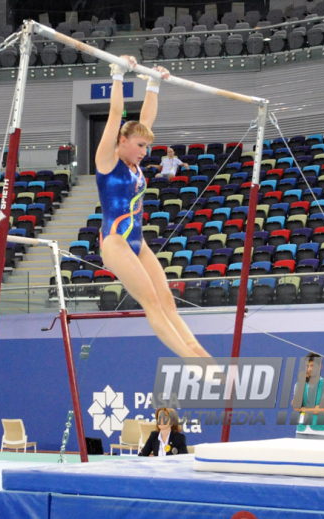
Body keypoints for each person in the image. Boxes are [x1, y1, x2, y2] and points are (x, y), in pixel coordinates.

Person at [95, 55, 210, 359]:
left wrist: (154, 84)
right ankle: (191, 362)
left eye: (147, 147)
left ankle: (198, 352)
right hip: (115, 241)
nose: (145, 153)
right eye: (140, 146)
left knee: (168, 302)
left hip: (137, 241)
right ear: (121, 140)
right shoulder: (107, 161)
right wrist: (118, 73)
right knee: (153, 304)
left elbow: (145, 120)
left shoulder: (134, 160)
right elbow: (115, 113)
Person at [293, 353, 324, 440]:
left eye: (312, 366)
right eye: (307, 366)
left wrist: (304, 409)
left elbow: (321, 409)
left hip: (321, 433)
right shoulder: (299, 385)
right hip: (301, 432)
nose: (309, 369)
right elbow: (296, 406)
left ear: (320, 367)